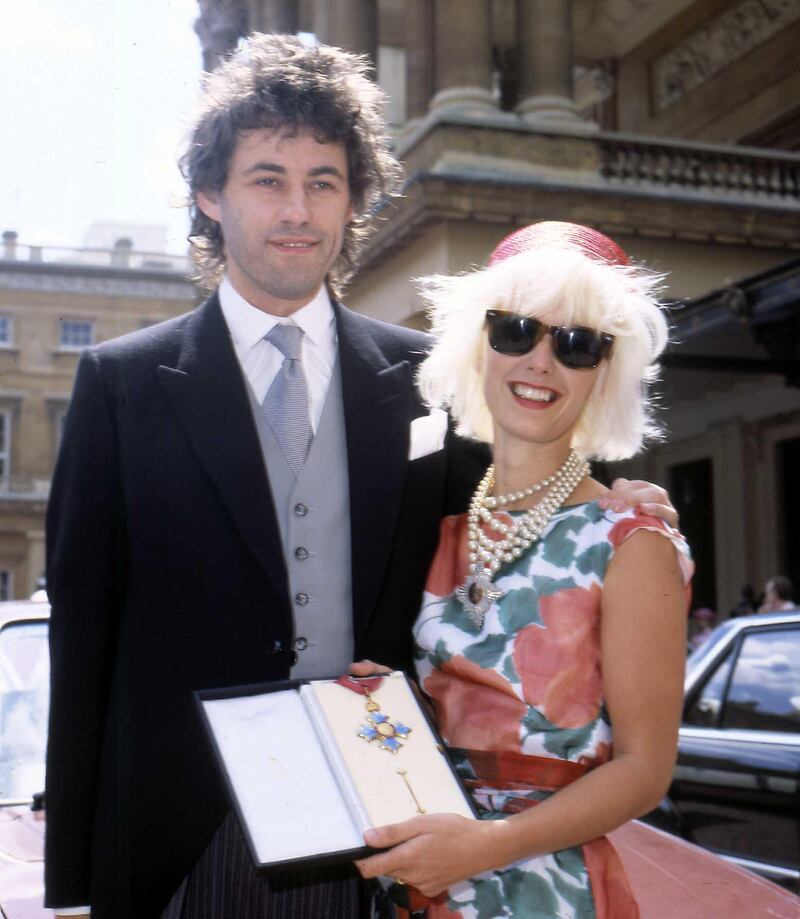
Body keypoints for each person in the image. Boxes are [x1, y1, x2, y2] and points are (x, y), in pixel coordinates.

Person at [44, 35, 677, 919]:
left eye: (324, 181)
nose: (296, 209)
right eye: (268, 178)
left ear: (354, 204)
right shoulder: (121, 384)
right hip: (185, 829)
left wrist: (628, 492)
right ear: (210, 196)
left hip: (379, 826)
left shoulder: (430, 378)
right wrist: (75, 883)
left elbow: (523, 487)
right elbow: (83, 641)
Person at [354, 222, 693, 918]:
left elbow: (644, 769)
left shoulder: (631, 540)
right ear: (479, 347)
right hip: (417, 880)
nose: (540, 361)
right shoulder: (436, 523)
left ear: (606, 374)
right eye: (515, 330)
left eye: (576, 344)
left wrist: (484, 845)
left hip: (542, 892)